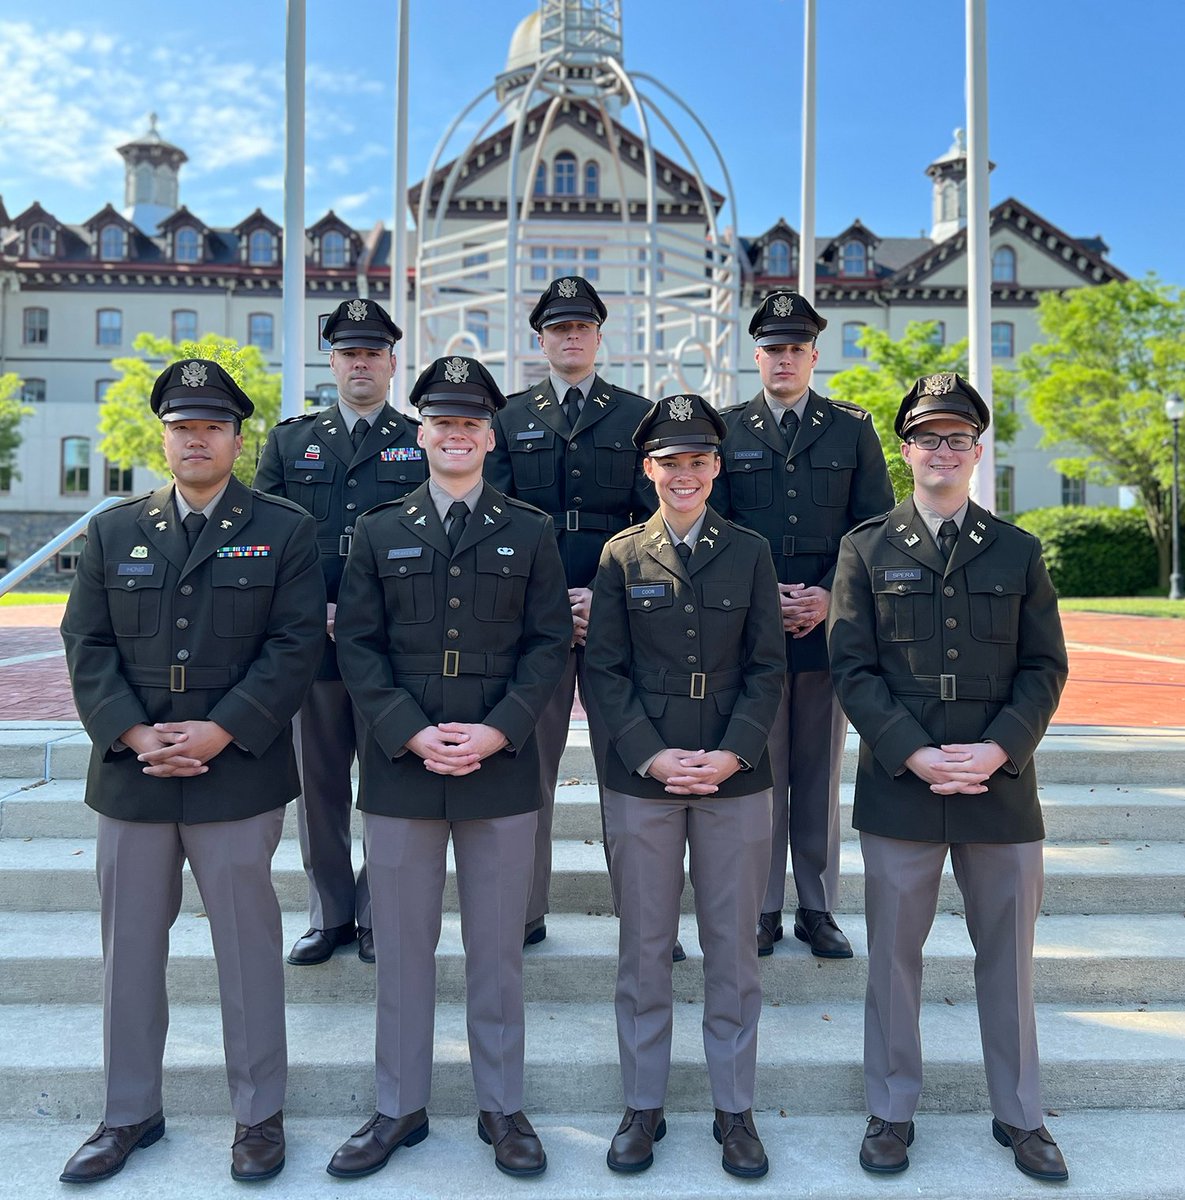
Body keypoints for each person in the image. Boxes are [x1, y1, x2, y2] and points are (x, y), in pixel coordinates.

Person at [58, 359, 325, 1184]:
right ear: (163, 438)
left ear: (238, 438)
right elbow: (87, 644)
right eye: (181, 427)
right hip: (133, 774)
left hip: (235, 772)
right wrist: (136, 734)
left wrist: (218, 731)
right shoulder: (112, 529)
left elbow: (293, 648)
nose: (195, 439)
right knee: (129, 954)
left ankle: (258, 1116)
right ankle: (128, 1113)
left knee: (246, 951)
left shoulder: (284, 528)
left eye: (211, 426)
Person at [326, 355, 571, 1181]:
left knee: (496, 948)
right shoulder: (377, 529)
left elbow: (546, 647)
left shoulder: (530, 530)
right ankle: (399, 1105)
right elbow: (356, 646)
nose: (456, 434)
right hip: (401, 768)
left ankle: (502, 1106)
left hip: (498, 769)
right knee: (400, 947)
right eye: (442, 421)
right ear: (421, 432)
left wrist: (500, 732)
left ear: (489, 436)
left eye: (471, 422)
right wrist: (409, 730)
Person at [827, 372, 1070, 1182]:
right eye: (927, 437)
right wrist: (914, 751)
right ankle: (891, 1111)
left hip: (1000, 785)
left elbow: (1043, 667)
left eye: (955, 438)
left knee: (1007, 960)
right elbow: (850, 667)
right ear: (905, 450)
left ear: (975, 450)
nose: (941, 450)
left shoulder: (1017, 549)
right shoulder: (862, 548)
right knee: (893, 959)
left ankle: (1020, 1115)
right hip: (902, 783)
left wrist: (1000, 749)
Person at [584, 394, 785, 1179]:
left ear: (715, 467)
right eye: (670, 462)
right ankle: (643, 1105)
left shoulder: (750, 551)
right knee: (642, 948)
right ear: (649, 469)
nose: (684, 474)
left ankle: (733, 1111)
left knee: (733, 948)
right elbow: (602, 669)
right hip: (644, 776)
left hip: (736, 776)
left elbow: (768, 667)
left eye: (698, 461)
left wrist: (732, 753)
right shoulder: (620, 555)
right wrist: (653, 755)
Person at [715, 290, 894, 959]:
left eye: (796, 348)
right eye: (772, 349)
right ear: (755, 356)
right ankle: (761, 908)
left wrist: (825, 596)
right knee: (758, 777)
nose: (784, 359)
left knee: (816, 778)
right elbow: (719, 530)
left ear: (813, 356)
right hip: (754, 636)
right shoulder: (726, 430)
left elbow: (873, 527)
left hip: (824, 632)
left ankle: (816, 908)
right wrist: (768, 600)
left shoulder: (851, 428)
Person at [485, 275, 655, 950]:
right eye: (558, 328)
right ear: (541, 340)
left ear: (598, 335)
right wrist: (555, 599)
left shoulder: (638, 415)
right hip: (534, 621)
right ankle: (525, 910)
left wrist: (603, 596)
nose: (570, 337)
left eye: (581, 326)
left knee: (632, 770)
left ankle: (643, 915)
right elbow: (497, 520)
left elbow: (655, 520)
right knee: (530, 770)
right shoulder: (508, 416)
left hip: (624, 619)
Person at [254, 297, 425, 966]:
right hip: (314, 649)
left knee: (387, 789)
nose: (361, 362)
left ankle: (380, 913)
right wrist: (306, 610)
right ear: (331, 361)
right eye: (349, 352)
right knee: (319, 787)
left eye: (373, 352)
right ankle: (329, 915)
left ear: (390, 363)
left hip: (392, 653)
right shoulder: (289, 442)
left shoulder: (422, 439)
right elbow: (263, 540)